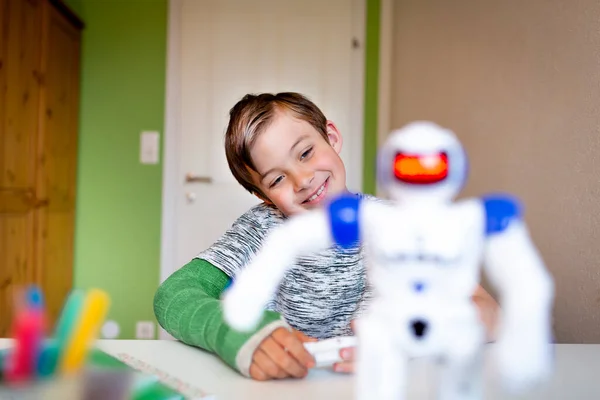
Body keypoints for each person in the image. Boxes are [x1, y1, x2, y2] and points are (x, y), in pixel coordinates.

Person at [153, 92, 500, 381]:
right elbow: (172, 296)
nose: (302, 179)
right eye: (276, 179)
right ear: (263, 197)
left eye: (305, 153)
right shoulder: (260, 229)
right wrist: (239, 335)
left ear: (331, 137)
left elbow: (487, 310)